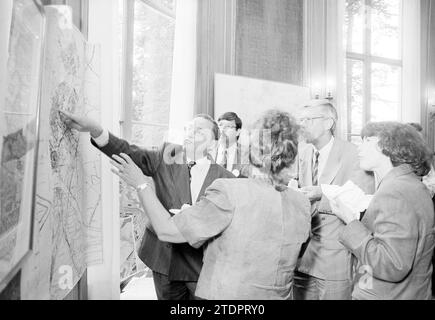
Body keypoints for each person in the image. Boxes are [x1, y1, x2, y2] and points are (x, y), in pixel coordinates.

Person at [110, 110, 311, 299]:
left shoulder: (229, 190)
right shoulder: (302, 203)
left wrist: (141, 184)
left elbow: (166, 230)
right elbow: (294, 255)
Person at [60, 111, 234, 300]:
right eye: (189, 128)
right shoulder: (167, 154)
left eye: (199, 130)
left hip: (200, 264)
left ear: (213, 143)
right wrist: (96, 130)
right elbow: (127, 150)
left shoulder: (226, 179)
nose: (191, 132)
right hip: (163, 259)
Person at [330, 122, 435, 300]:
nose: (359, 147)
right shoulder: (405, 184)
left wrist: (350, 221)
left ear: (390, 146)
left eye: (367, 140)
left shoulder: (395, 191)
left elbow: (392, 265)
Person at [294, 100, 374, 300]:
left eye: (308, 120)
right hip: (302, 253)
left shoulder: (354, 154)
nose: (301, 125)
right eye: (300, 120)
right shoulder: (303, 153)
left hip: (335, 255)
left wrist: (321, 193)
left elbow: (361, 201)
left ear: (328, 123)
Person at [215, 112, 249, 177]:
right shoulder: (209, 151)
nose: (222, 130)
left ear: (237, 132)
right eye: (220, 125)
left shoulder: (246, 154)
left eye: (228, 126)